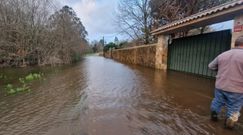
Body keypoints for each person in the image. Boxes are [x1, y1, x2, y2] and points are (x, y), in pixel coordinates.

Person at [208, 35, 243, 129]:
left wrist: (221, 70)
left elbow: (211, 66)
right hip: (237, 89)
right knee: (234, 108)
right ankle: (228, 127)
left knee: (217, 102)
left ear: (236, 44)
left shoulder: (223, 54)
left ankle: (213, 118)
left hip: (220, 86)